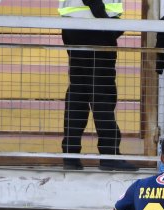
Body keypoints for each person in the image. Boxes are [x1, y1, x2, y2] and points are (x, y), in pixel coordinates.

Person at [59, 0, 137, 171]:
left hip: (74, 24)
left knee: (78, 90)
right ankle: (109, 155)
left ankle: (70, 156)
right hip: (95, 25)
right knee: (102, 93)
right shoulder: (99, 19)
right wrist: (104, 21)